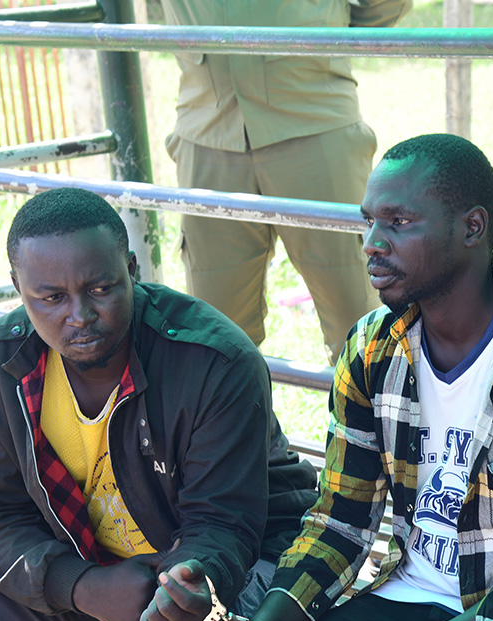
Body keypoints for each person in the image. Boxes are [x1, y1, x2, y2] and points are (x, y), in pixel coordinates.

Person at [223, 133, 493, 621]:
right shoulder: (371, 349)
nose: (372, 241)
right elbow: (340, 522)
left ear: (472, 227)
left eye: (398, 223)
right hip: (407, 599)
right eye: (369, 220)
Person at [0, 188, 317, 621]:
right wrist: (82, 586)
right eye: (52, 297)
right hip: (94, 579)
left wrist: (185, 586)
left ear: (132, 268)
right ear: (18, 287)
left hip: (229, 568)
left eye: (101, 289)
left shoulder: (213, 361)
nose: (80, 316)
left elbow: (224, 525)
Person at [159, 0, 412, 364]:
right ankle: (237, 422)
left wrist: (323, 42)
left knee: (359, 320)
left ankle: (370, 419)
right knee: (214, 336)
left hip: (314, 122)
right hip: (208, 131)